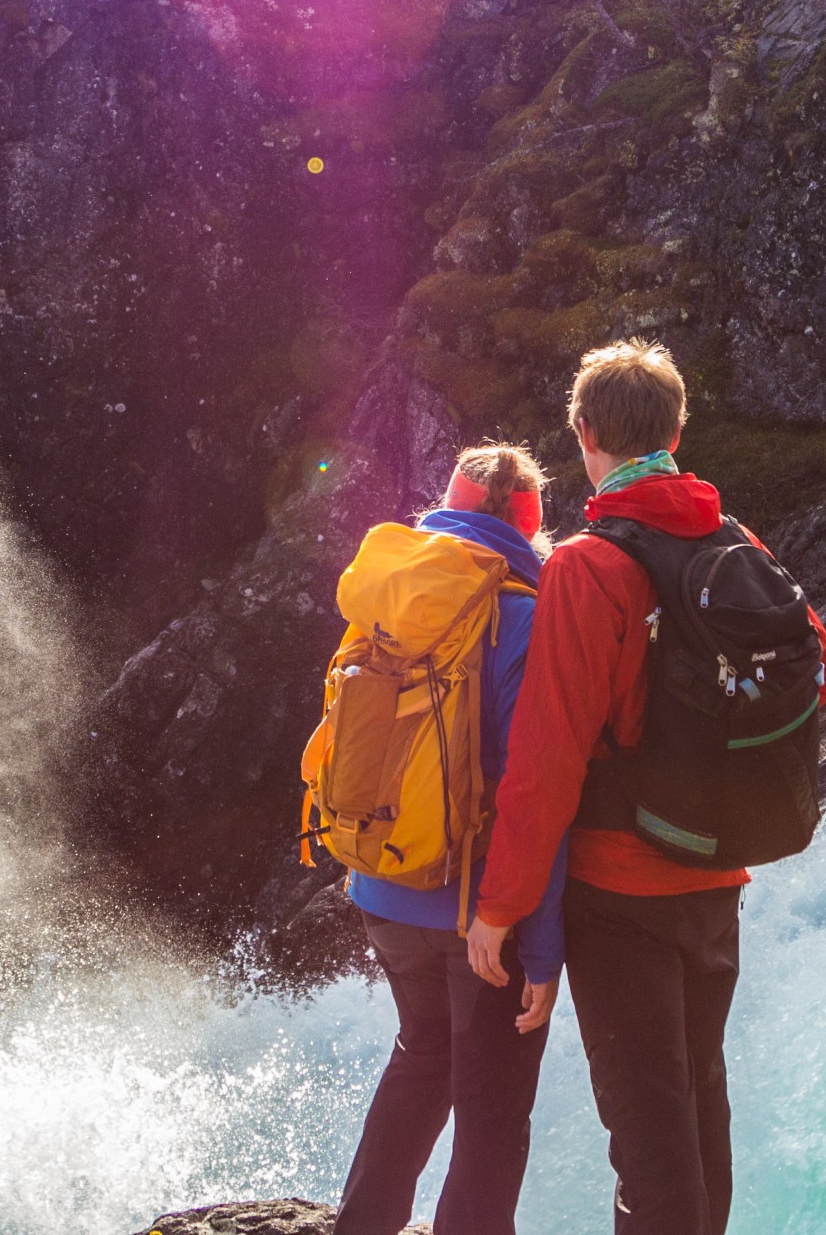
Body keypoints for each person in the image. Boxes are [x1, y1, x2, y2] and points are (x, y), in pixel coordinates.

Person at [466, 341, 745, 1235]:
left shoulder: (588, 564)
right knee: (702, 1110)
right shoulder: (733, 539)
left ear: (585, 433)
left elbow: (545, 759)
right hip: (716, 875)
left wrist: (501, 907)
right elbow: (817, 667)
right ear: (677, 428)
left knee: (648, 1141)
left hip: (622, 889)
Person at [333, 443, 573, 1235]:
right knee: (493, 1112)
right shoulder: (521, 615)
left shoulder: (394, 594)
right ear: (527, 523)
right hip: (478, 915)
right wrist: (539, 947)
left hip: (382, 886)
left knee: (421, 1054)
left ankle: (360, 1225)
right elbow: (531, 792)